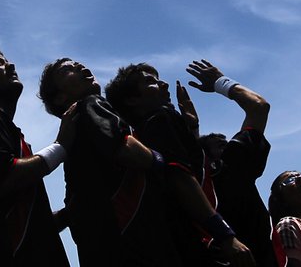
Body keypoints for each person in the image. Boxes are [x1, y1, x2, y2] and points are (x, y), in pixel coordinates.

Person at [105, 62, 256, 267]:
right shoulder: (160, 119)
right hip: (193, 244)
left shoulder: (142, 136)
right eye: (150, 82)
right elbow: (180, 176)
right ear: (132, 99)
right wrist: (225, 235)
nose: (164, 84)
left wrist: (191, 129)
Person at [37, 57, 181, 266]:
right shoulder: (90, 104)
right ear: (60, 98)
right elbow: (125, 149)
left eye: (76, 63)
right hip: (134, 245)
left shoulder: (77, 143)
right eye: (65, 70)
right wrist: (163, 163)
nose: (77, 65)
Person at [0, 44, 71, 267]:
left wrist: (68, 214)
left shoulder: (11, 134)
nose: (11, 65)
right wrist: (62, 146)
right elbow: (7, 177)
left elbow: (27, 225)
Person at [179, 59, 275, 267]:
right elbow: (258, 107)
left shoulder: (173, 180)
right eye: (220, 146)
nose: (227, 146)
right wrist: (219, 82)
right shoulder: (232, 165)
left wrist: (192, 131)